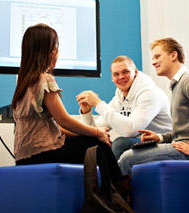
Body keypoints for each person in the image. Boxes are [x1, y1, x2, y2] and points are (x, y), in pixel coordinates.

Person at [10, 24, 124, 181]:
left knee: (91, 142)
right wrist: (98, 133)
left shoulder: (22, 82)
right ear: (51, 52)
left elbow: (57, 128)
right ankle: (120, 192)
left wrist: (91, 134)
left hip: (23, 156)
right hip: (44, 152)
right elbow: (64, 120)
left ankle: (111, 193)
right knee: (99, 147)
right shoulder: (44, 79)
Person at [117, 38, 189, 175]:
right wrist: (160, 138)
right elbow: (184, 129)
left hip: (188, 148)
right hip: (179, 143)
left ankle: (114, 196)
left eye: (157, 56)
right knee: (122, 145)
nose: (153, 62)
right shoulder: (177, 85)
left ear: (173, 55)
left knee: (127, 159)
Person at [76, 56, 172, 159]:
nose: (121, 77)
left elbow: (131, 130)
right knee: (98, 142)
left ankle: (114, 175)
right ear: (112, 78)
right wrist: (86, 112)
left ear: (135, 72)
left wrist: (98, 104)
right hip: (138, 142)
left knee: (120, 144)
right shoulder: (118, 98)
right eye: (116, 74)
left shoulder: (150, 93)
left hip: (161, 141)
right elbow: (96, 130)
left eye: (125, 72)